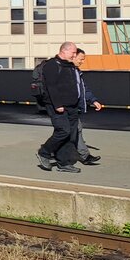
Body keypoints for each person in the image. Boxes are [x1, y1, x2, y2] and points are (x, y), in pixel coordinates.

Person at [36, 42, 83, 173]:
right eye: (73, 53)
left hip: (72, 106)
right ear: (64, 51)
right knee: (63, 131)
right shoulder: (52, 65)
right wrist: (58, 105)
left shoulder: (70, 66)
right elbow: (52, 87)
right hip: (58, 106)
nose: (75, 55)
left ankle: (64, 163)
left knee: (70, 135)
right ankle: (44, 152)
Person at [72, 48, 103, 165]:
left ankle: (49, 152)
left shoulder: (77, 72)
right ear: (73, 57)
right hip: (68, 108)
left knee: (73, 131)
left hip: (74, 107)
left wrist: (93, 100)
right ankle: (47, 152)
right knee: (72, 131)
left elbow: (84, 89)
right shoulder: (68, 72)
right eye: (81, 59)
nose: (82, 61)